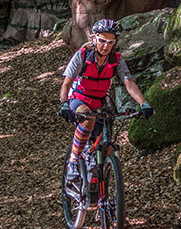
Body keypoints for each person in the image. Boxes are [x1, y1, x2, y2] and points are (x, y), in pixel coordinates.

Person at [57, 18, 154, 184]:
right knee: (88, 120)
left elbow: (129, 83)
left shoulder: (116, 59)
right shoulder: (82, 56)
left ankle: (103, 198)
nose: (106, 46)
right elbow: (66, 83)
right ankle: (73, 162)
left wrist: (144, 103)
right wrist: (64, 104)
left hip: (101, 102)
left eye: (110, 42)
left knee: (107, 146)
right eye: (102, 41)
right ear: (94, 38)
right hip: (78, 99)